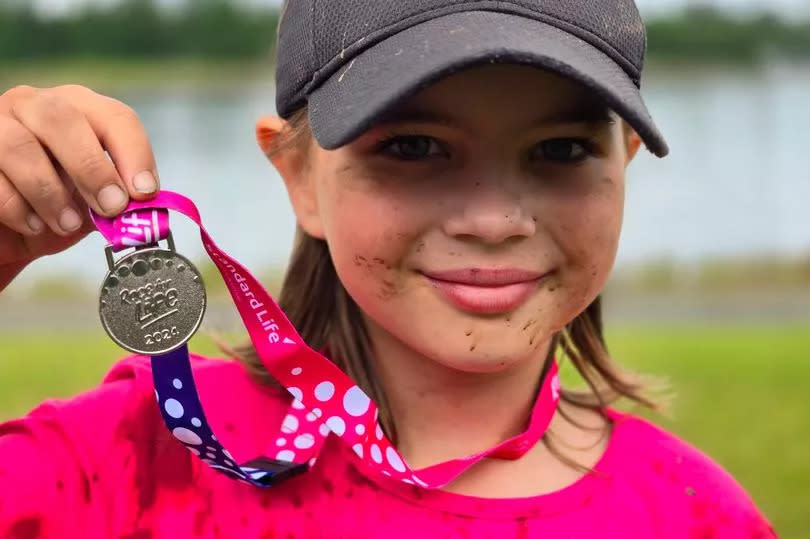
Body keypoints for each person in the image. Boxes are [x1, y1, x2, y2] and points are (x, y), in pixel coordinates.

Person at [0, 1, 777, 537]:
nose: (495, 219)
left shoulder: (695, 514)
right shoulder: (134, 460)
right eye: (412, 147)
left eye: (561, 150)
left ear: (624, 162)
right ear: (297, 173)